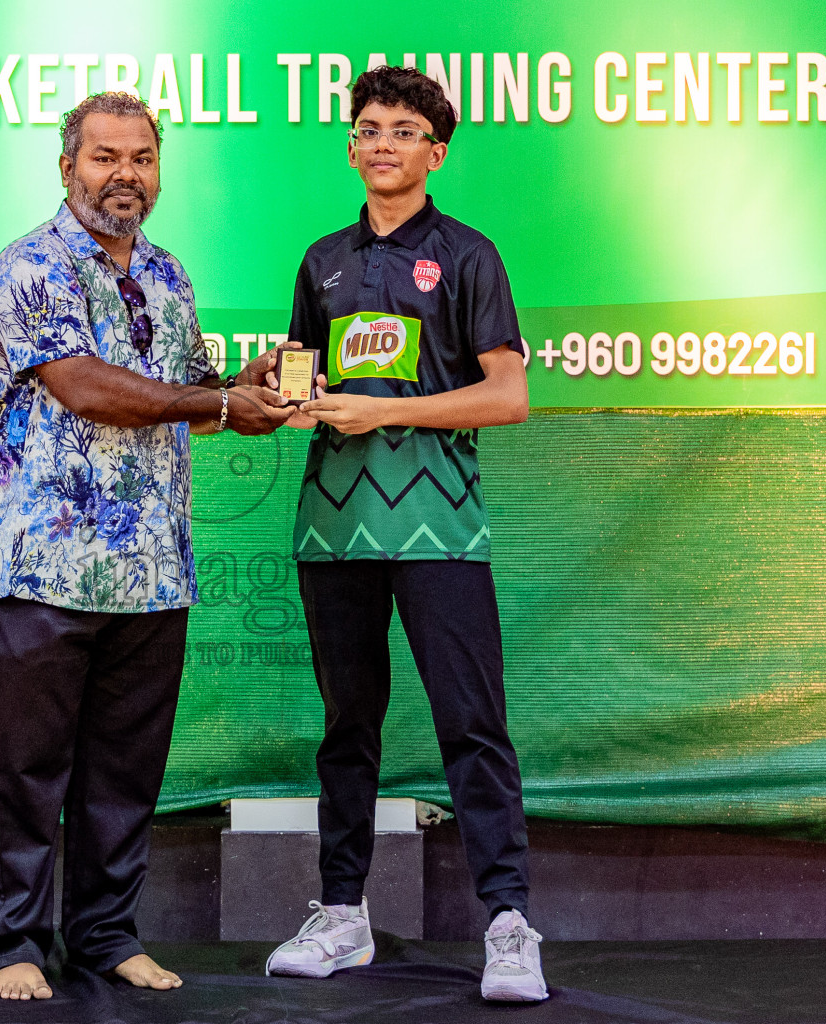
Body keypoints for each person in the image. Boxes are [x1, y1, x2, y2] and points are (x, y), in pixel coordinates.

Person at [0, 91, 292, 1000]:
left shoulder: (170, 275)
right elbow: (87, 388)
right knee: (32, 772)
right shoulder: (28, 266)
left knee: (125, 774)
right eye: (106, 157)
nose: (125, 175)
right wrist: (215, 402)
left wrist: (248, 388)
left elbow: (189, 391)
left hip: (153, 572)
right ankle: (16, 948)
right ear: (68, 166)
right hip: (43, 566)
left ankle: (108, 935)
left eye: (142, 158)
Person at [261, 67, 546, 1002]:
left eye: (403, 131)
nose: (383, 143)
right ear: (350, 145)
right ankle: (343, 915)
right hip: (335, 527)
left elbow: (509, 396)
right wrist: (282, 393)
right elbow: (302, 381)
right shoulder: (321, 260)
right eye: (368, 128)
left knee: (473, 725)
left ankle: (508, 924)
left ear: (437, 151)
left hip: (440, 525)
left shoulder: (468, 254)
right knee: (348, 727)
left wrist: (393, 414)